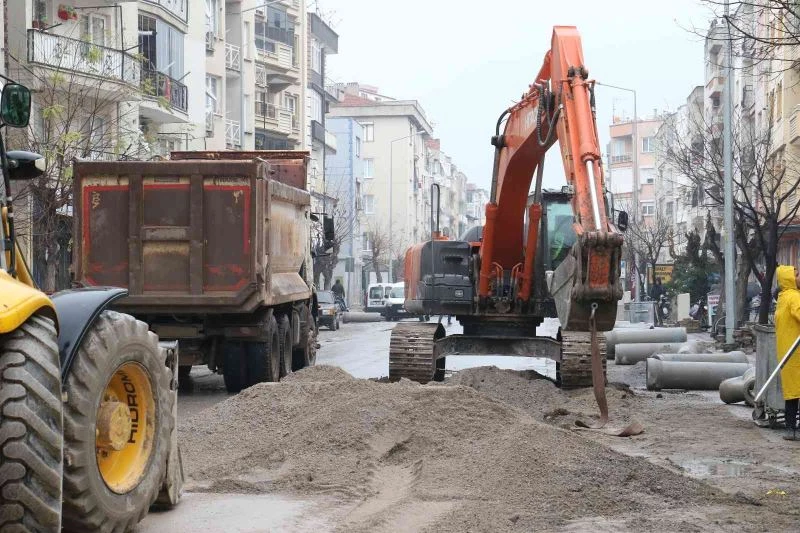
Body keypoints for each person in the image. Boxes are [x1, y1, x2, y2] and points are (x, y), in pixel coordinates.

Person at [774, 265, 800, 441]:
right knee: (795, 391)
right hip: (796, 351)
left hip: (787, 351)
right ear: (789, 279)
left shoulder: (782, 297)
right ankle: (791, 429)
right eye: (796, 274)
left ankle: (790, 428)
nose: (799, 277)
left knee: (792, 392)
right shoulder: (794, 297)